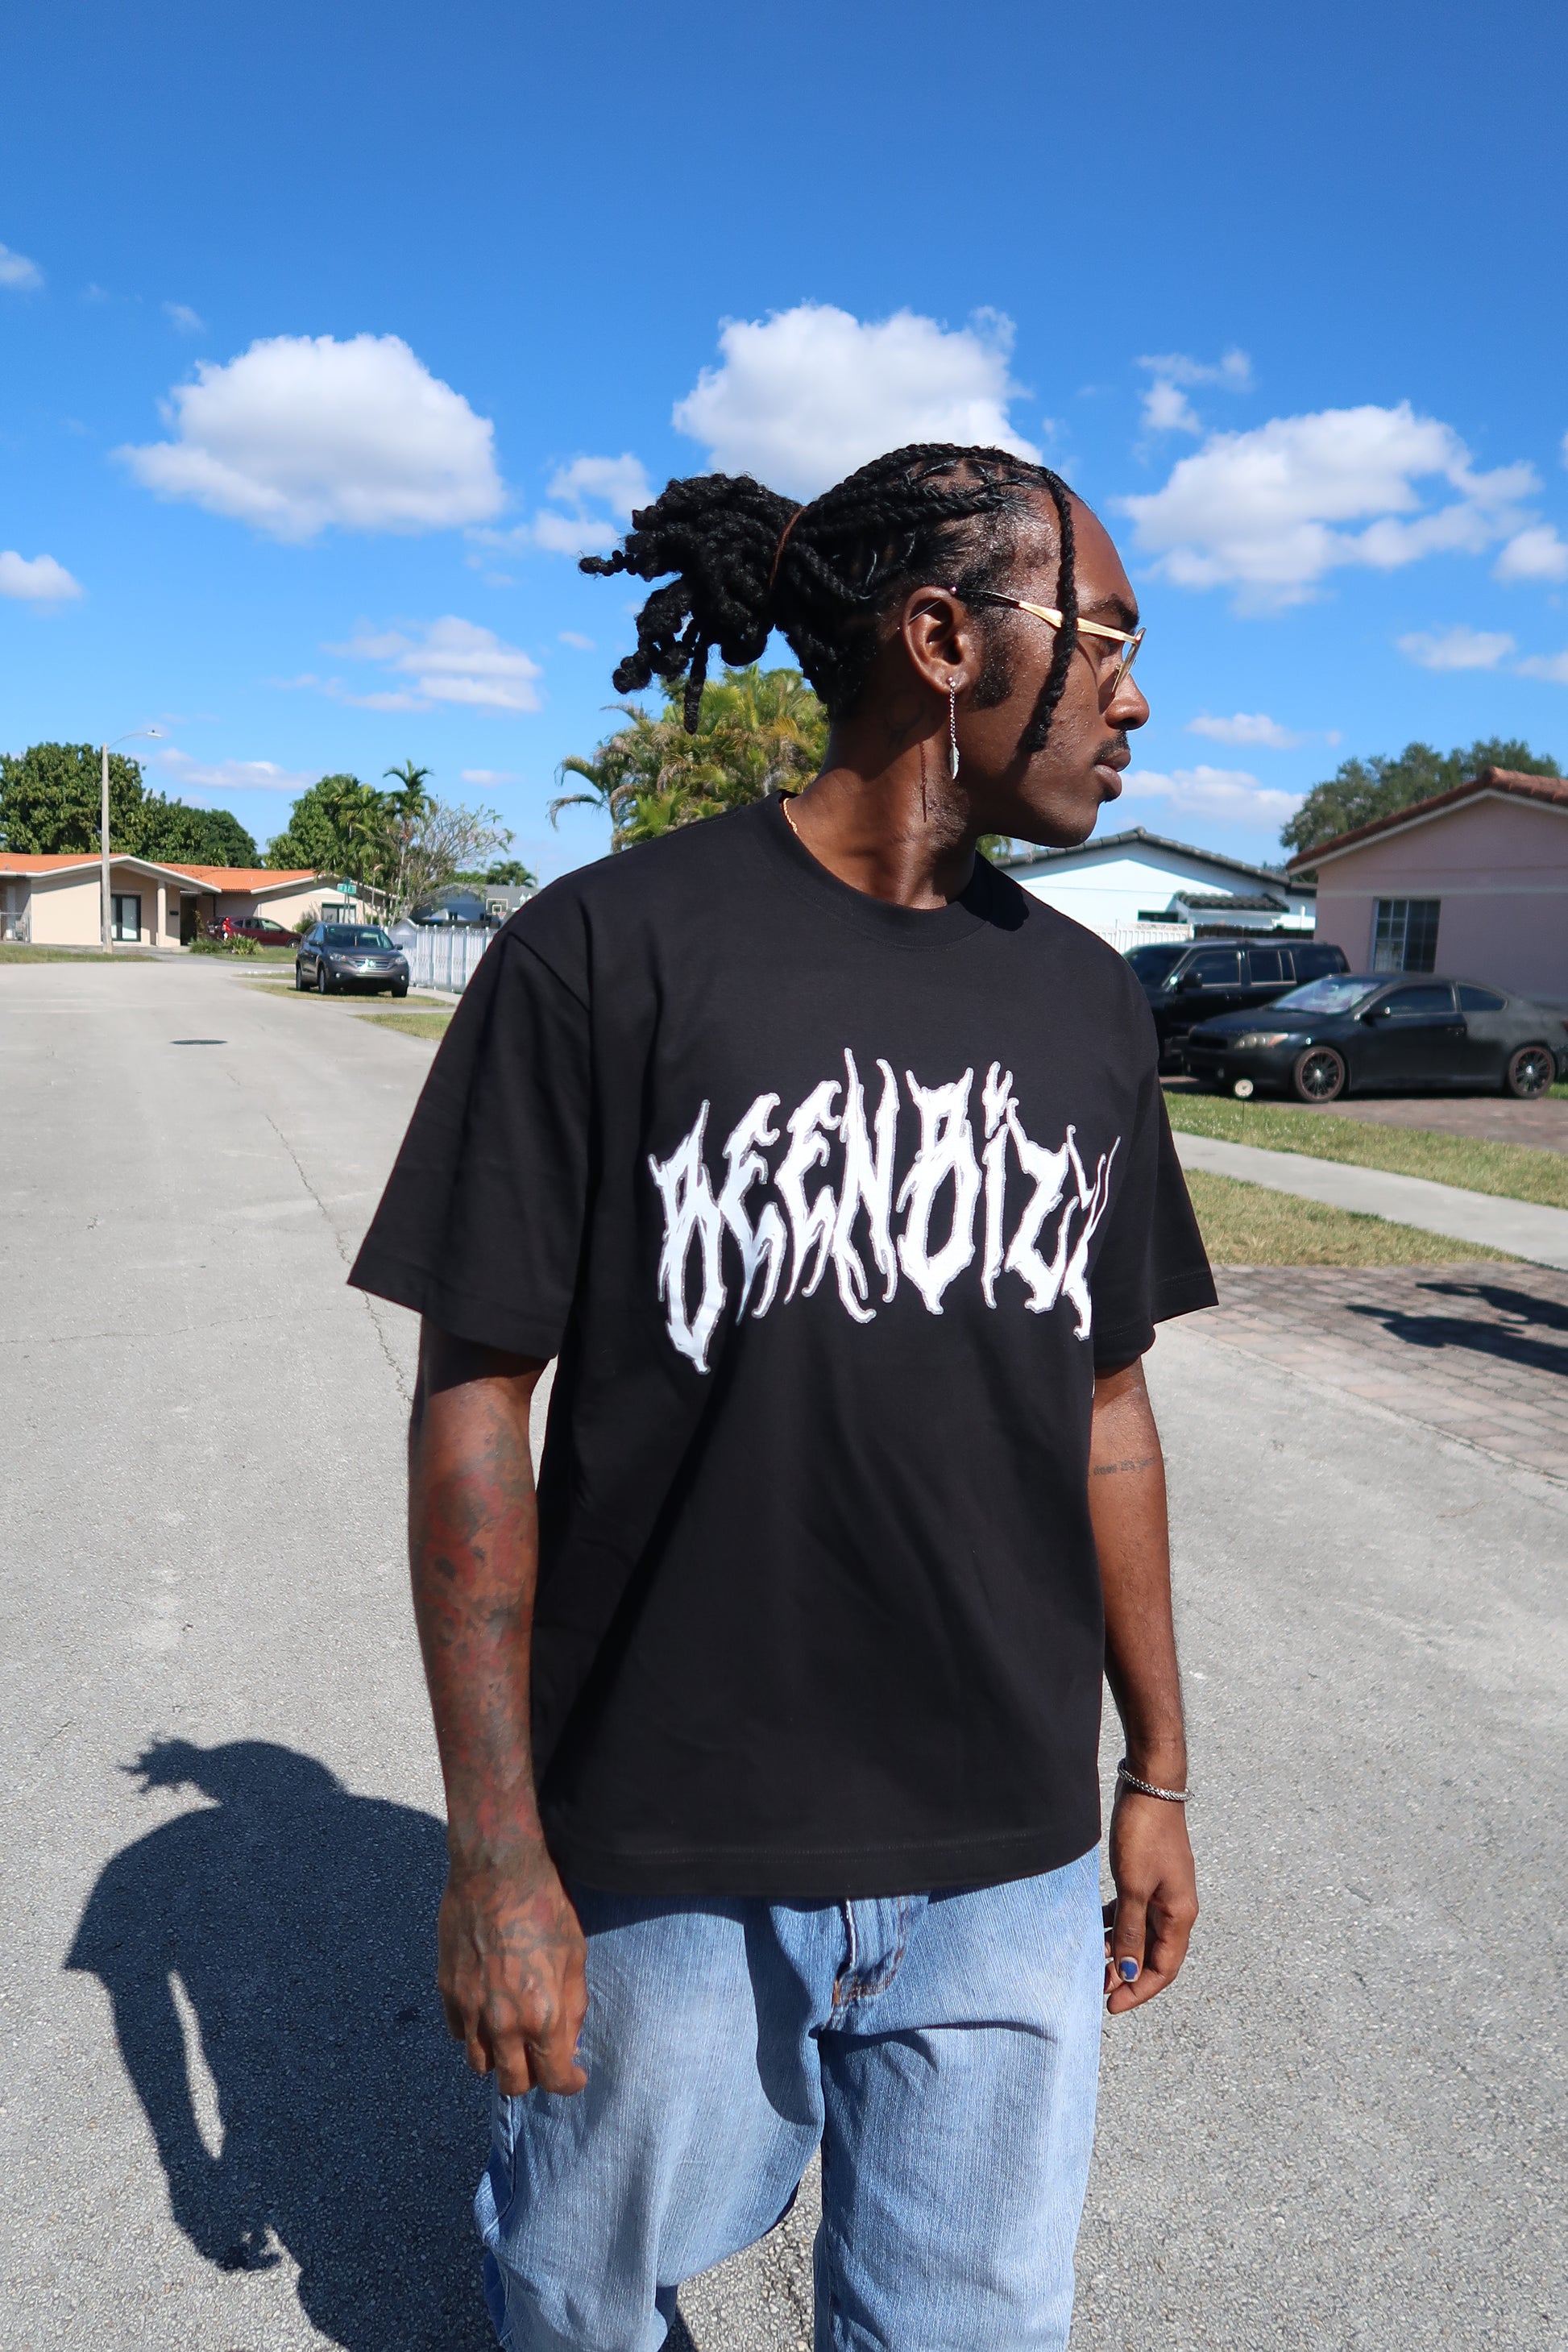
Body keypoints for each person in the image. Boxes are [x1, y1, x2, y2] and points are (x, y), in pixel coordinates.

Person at [350, 442, 1216, 2352]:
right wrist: (493, 1845)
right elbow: (476, 1400)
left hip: (1007, 1853)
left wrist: (1153, 1767)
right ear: (942, 638)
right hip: (671, 1839)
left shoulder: (1085, 1003)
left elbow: (1109, 1409)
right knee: (581, 2303)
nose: (1135, 699)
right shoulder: (604, 953)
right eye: (1105, 638)